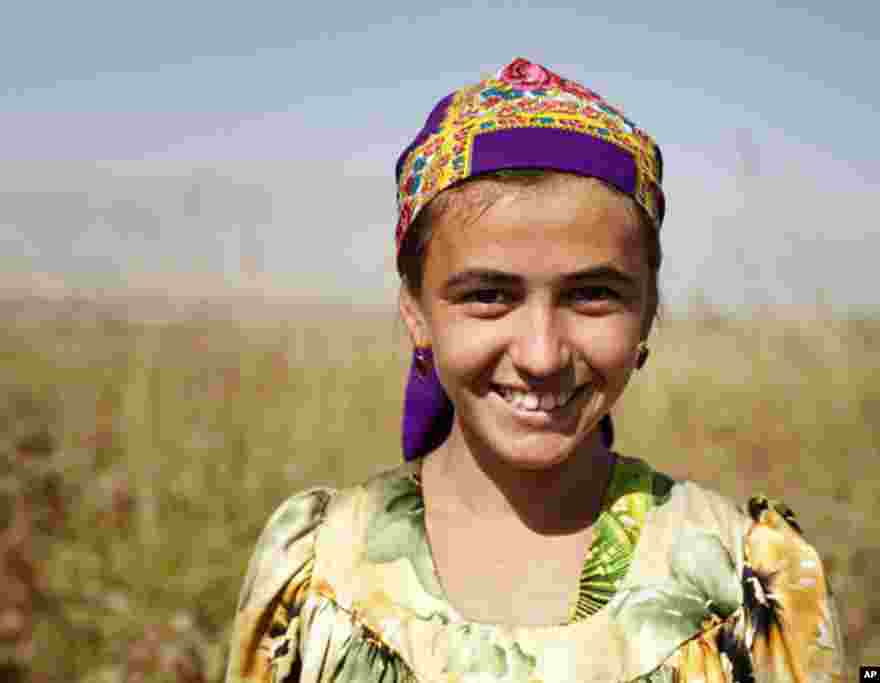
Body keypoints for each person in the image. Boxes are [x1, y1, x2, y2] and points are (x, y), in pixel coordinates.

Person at [225, 58, 847, 682]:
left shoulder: (752, 582)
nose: (542, 354)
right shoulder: (318, 574)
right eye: (488, 296)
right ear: (415, 310)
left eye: (593, 294)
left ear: (648, 312)